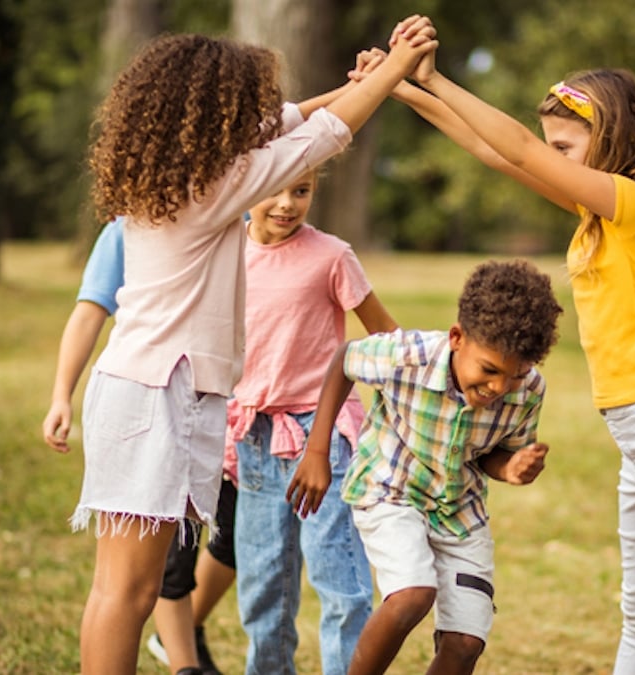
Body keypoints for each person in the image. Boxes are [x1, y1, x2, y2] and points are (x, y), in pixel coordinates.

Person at [360, 35, 635, 674]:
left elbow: (516, 146)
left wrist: (437, 77)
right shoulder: (600, 212)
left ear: (612, 138)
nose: (552, 158)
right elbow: (493, 151)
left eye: (565, 147)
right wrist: (400, 84)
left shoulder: (634, 205)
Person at [68, 21, 436, 675]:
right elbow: (324, 134)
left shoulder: (174, 174)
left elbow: (293, 120)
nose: (257, 120)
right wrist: (396, 67)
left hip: (139, 386)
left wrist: (345, 86)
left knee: (121, 586)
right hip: (158, 391)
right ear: (216, 116)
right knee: (126, 590)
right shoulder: (216, 186)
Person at [287, 259, 564, 675]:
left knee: (466, 641)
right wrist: (316, 451)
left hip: (459, 512)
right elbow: (346, 359)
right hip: (390, 490)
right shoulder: (407, 356)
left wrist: (511, 469)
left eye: (515, 375)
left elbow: (493, 454)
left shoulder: (528, 391)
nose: (499, 388)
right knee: (413, 593)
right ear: (457, 337)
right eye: (489, 370)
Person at [41, 217, 236, 675]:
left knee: (119, 588)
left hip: (170, 401)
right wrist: (59, 396)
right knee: (128, 590)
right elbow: (90, 311)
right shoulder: (133, 228)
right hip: (155, 402)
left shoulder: (226, 214)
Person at [226, 166, 397, 675]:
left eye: (301, 191)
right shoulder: (225, 251)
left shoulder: (331, 256)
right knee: (262, 589)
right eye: (274, 189)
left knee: (341, 586)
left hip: (323, 434)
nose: (286, 203)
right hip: (254, 436)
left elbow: (384, 335)